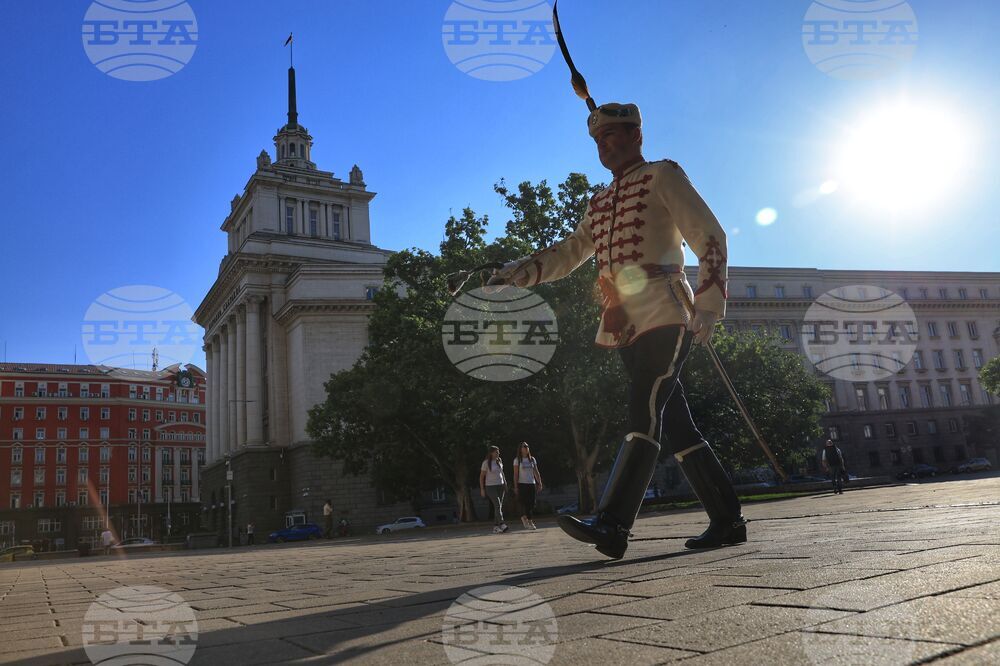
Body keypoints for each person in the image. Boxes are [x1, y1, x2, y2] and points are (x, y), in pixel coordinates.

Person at [489, 102, 745, 559]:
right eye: (598, 140)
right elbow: (570, 251)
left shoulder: (662, 175)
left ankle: (613, 523)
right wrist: (517, 272)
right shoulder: (600, 201)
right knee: (677, 425)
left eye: (613, 136)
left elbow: (710, 235)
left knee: (644, 403)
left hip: (666, 306)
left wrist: (708, 304)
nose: (605, 146)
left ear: (636, 135)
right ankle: (728, 520)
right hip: (622, 319)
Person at [513, 442, 543, 530]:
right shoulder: (517, 460)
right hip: (522, 484)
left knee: (532, 504)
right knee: (525, 504)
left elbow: (536, 472)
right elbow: (515, 474)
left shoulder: (532, 459)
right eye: (524, 446)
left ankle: (524, 517)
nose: (526, 448)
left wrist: (539, 482)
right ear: (520, 449)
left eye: (527, 446)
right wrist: (515, 487)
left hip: (531, 483)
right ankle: (530, 521)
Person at [480, 446, 509, 533]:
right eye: (496, 452)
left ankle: (495, 527)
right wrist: (482, 489)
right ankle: (502, 523)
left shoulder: (499, 460)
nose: (498, 453)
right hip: (490, 486)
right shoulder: (486, 463)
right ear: (491, 453)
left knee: (498, 506)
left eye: (498, 452)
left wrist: (505, 483)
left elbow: (502, 473)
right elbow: (481, 477)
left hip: (500, 485)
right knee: (497, 504)